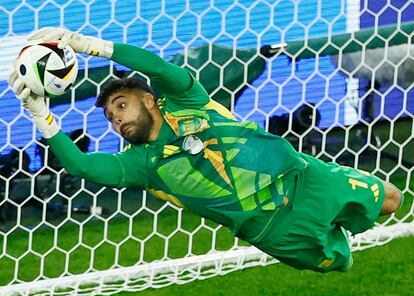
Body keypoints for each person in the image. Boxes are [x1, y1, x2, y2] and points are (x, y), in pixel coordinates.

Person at [9, 28, 404, 273]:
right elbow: (80, 165)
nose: (117, 120)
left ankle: (350, 212)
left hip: (305, 179)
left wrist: (89, 45)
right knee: (342, 263)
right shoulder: (141, 165)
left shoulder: (187, 100)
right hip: (276, 231)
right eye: (111, 118)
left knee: (391, 199)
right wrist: (39, 112)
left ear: (149, 100)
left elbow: (157, 67)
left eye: (122, 106)